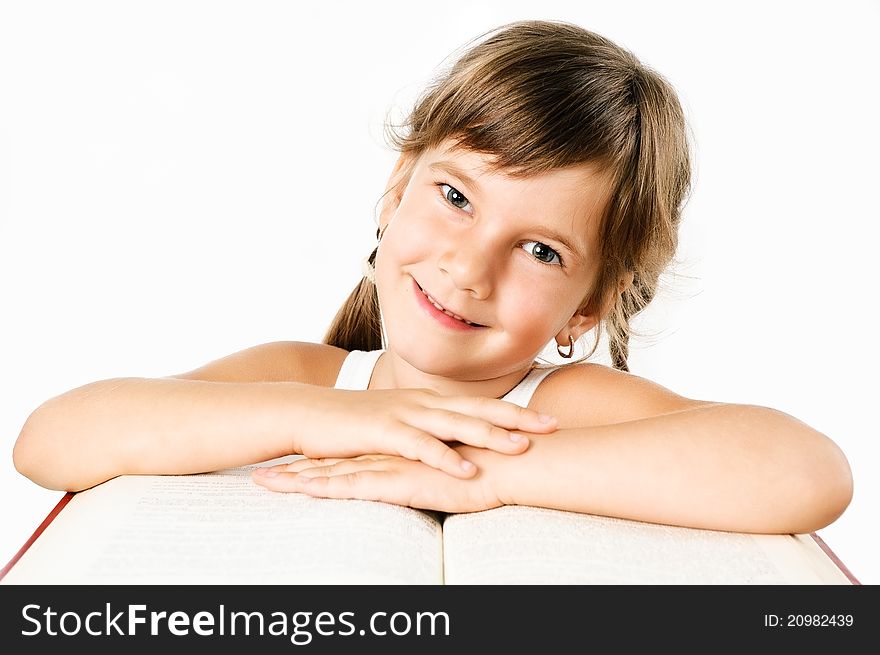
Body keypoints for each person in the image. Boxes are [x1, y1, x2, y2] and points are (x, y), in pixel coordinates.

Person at [13, 19, 852, 535]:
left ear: (588, 304)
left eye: (541, 250)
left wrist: (487, 474)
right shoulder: (312, 378)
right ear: (396, 187)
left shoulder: (551, 410)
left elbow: (806, 470)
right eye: (456, 196)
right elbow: (50, 441)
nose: (468, 266)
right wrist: (330, 419)